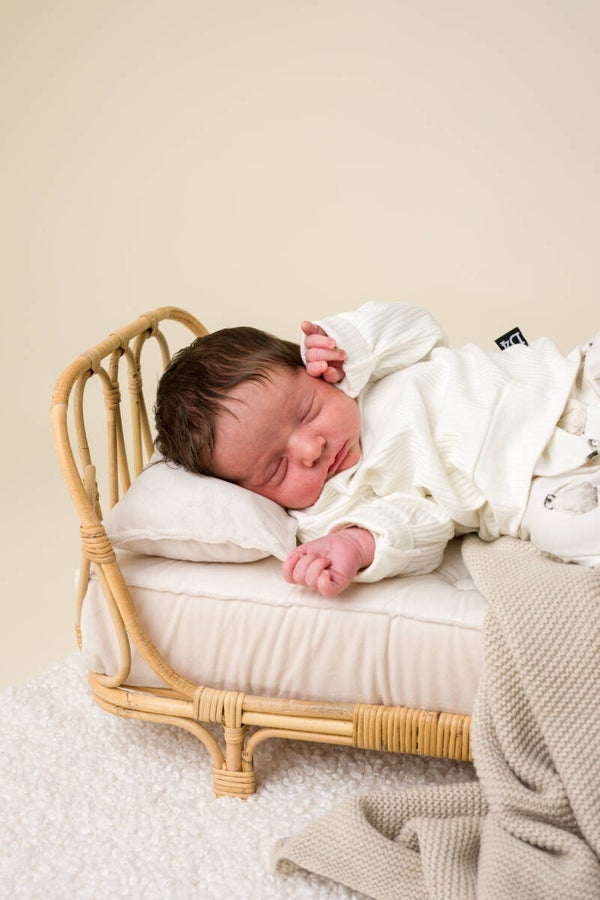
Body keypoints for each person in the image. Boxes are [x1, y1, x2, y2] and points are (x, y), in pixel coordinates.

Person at [154, 301, 600, 597]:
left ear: (310, 372)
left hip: (562, 381)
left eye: (307, 411)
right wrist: (359, 542)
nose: (310, 449)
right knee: (565, 529)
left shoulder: (358, 375)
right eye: (277, 468)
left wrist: (351, 342)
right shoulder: (327, 511)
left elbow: (423, 329)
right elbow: (424, 523)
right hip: (536, 485)